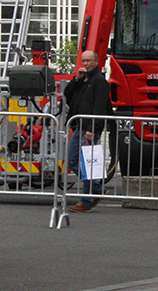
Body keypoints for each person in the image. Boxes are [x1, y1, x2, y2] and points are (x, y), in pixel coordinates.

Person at [65, 50, 112, 212]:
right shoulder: (82, 81)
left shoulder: (99, 82)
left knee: (88, 165)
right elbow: (67, 95)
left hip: (89, 128)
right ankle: (97, 189)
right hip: (79, 125)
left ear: (96, 62)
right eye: (83, 61)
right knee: (72, 161)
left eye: (89, 61)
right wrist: (76, 80)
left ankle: (86, 200)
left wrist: (92, 128)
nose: (85, 64)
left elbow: (99, 108)